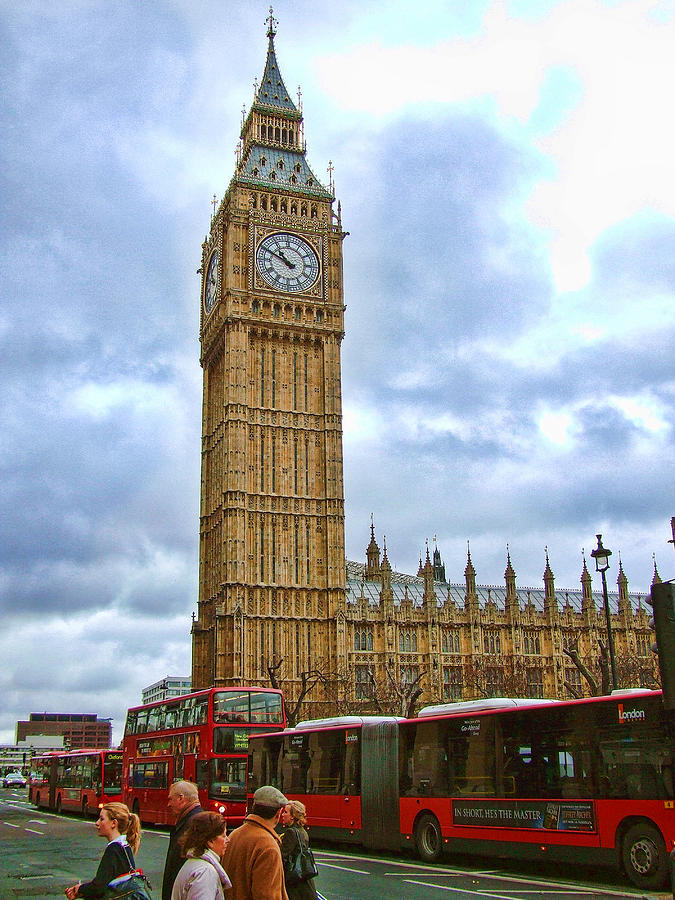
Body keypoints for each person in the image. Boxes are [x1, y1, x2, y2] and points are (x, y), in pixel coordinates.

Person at [222, 785, 289, 900]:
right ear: (278, 813)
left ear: (254, 807)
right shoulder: (268, 846)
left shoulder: (235, 834)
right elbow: (267, 895)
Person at [65, 801, 141, 899]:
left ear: (114, 823)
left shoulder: (113, 849)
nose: (97, 823)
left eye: (102, 819)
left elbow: (98, 887)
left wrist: (80, 889)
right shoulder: (124, 846)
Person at [171, 811, 231, 900]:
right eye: (223, 836)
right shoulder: (205, 872)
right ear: (210, 841)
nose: (228, 840)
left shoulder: (194, 864)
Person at [162, 780, 203, 900]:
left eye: (170, 799)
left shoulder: (195, 824)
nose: (168, 804)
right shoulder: (192, 820)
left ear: (181, 798)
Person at [280, 801, 318, 900]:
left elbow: (282, 855)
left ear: (292, 816)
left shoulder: (290, 832)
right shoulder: (302, 831)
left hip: (294, 880)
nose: (282, 815)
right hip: (304, 879)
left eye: (285, 812)